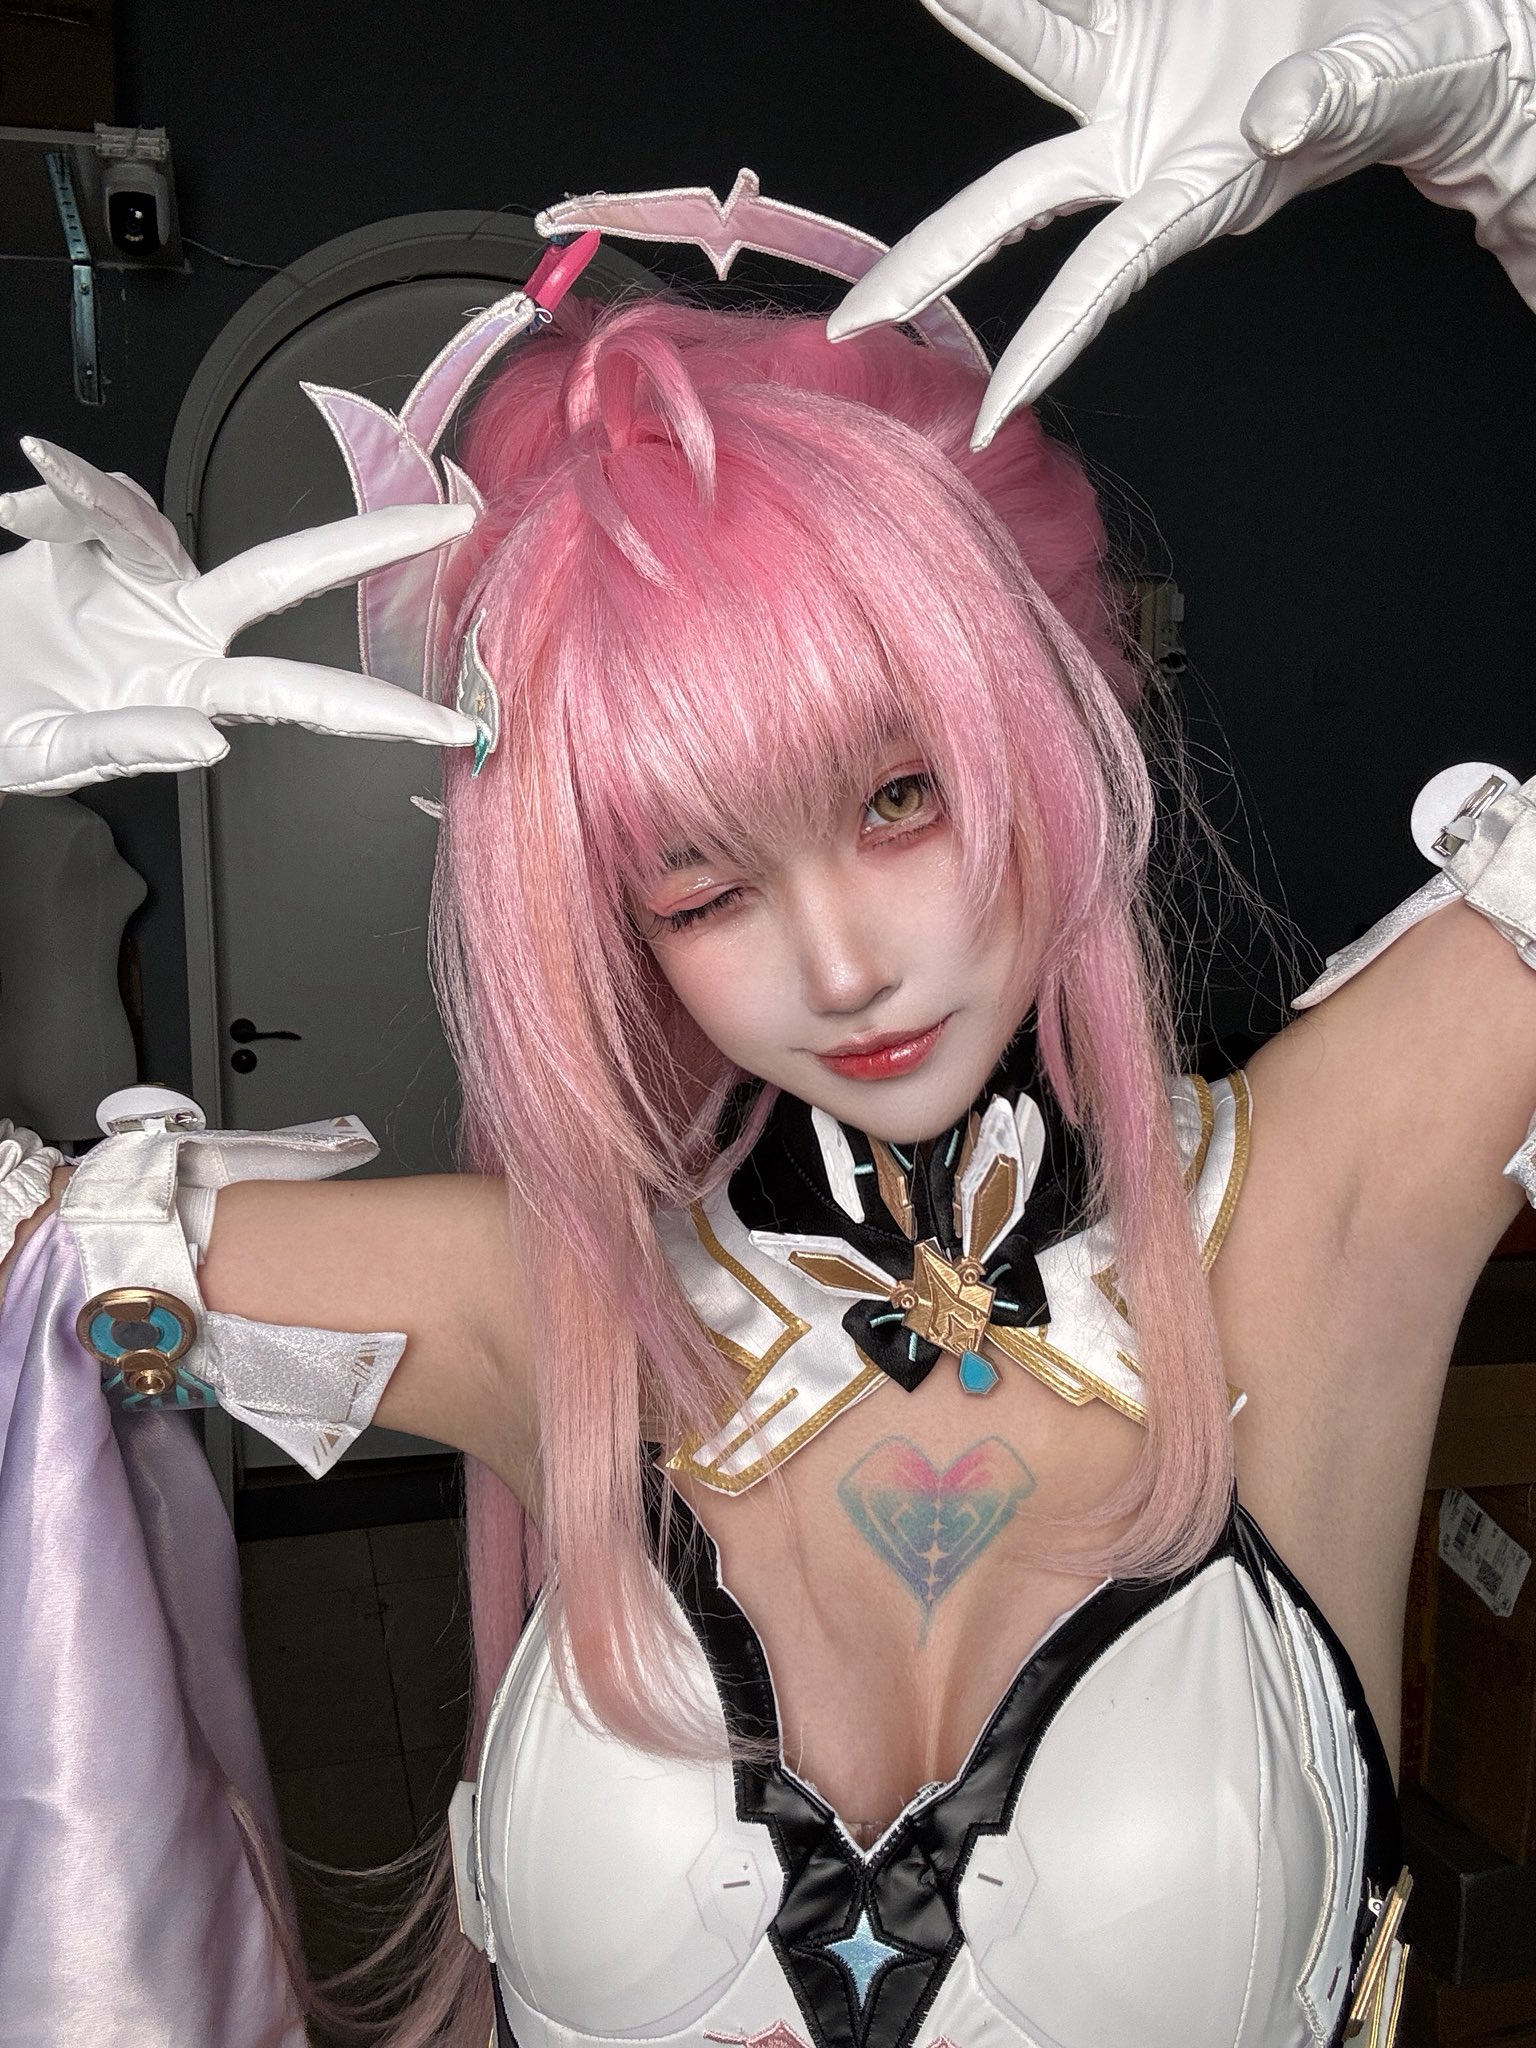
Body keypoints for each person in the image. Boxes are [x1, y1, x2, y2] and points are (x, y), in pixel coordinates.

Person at [5, 7, 1536, 2043]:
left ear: (1048, 724)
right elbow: (45, 1273)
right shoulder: (550, 1304)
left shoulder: (1326, 1209)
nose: (841, 965)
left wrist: (1513, 123)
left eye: (903, 798)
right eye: (702, 887)